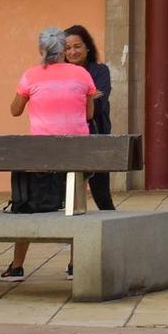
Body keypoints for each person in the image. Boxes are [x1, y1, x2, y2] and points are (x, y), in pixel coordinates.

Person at [2, 27, 97, 282]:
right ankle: (74, 265)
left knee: (27, 207)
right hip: (76, 154)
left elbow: (15, 110)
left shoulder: (31, 76)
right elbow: (88, 114)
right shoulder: (81, 74)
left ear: (42, 50)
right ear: (62, 50)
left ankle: (17, 265)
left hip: (41, 156)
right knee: (76, 208)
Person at [62, 25, 116, 212]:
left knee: (102, 196)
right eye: (67, 48)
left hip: (96, 138)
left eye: (77, 46)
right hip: (66, 140)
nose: (72, 52)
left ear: (87, 48)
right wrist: (87, 95)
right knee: (66, 197)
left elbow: (97, 106)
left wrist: (70, 97)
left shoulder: (99, 71)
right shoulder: (59, 74)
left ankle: (113, 238)